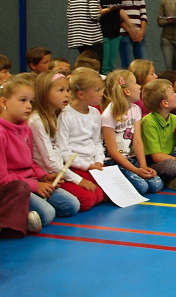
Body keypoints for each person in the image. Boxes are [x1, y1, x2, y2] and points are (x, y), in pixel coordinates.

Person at [0, 76, 80, 229]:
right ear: (4, 102)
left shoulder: (25, 129)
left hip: (30, 182)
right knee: (47, 214)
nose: (29, 106)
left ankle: (18, 215)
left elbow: (30, 162)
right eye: (23, 100)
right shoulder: (2, 133)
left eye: (31, 101)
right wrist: (35, 185)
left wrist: (43, 176)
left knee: (71, 205)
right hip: (12, 188)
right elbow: (2, 178)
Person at [30, 70, 104, 211]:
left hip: (58, 171)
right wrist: (79, 180)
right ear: (45, 93)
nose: (67, 95)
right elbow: (50, 160)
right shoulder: (37, 121)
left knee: (98, 195)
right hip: (48, 174)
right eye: (61, 90)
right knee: (85, 201)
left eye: (68, 90)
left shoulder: (55, 115)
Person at [100, 70, 164, 193]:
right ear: (127, 91)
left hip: (132, 158)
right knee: (142, 187)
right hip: (115, 162)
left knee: (156, 184)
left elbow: (137, 140)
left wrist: (143, 166)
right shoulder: (109, 115)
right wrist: (135, 170)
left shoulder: (135, 109)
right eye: (135, 83)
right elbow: (112, 151)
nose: (139, 87)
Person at [55, 68, 108, 197]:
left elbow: (97, 141)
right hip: (77, 166)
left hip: (95, 165)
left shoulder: (95, 113)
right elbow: (64, 150)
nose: (102, 93)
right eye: (97, 90)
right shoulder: (65, 115)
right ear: (81, 94)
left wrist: (99, 161)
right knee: (95, 196)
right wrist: (87, 166)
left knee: (114, 191)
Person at [94, 0, 133, 74]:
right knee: (104, 64)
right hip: (101, 32)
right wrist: (109, 9)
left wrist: (131, 24)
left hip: (115, 31)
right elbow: (97, 12)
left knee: (111, 64)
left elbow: (120, 10)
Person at [67, 0, 104, 64]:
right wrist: (100, 11)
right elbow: (94, 15)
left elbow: (69, 15)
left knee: (84, 64)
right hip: (92, 38)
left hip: (78, 38)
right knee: (96, 65)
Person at [116, 0, 148, 67]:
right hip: (124, 33)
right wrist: (130, 30)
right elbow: (117, 16)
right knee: (128, 64)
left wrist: (142, 31)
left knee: (143, 65)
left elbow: (143, 13)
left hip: (139, 33)